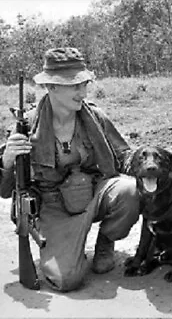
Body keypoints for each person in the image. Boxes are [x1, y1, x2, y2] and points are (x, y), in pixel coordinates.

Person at [0, 47, 140, 292]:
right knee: (66, 280)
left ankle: (105, 240)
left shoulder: (95, 116)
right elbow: (5, 191)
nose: (83, 92)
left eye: (84, 84)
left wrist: (148, 164)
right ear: (52, 87)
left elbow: (123, 156)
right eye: (75, 85)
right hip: (54, 207)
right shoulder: (27, 126)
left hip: (94, 194)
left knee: (130, 189)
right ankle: (68, 248)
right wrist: (8, 161)